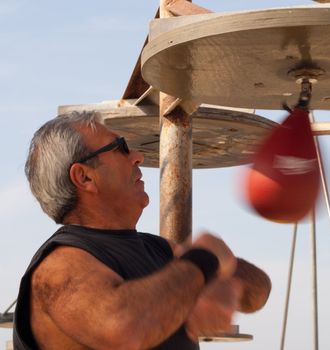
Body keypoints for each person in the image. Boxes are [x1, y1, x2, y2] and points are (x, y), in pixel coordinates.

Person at [14, 111, 271, 349]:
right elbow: (125, 329)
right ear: (84, 177)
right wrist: (205, 259)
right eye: (121, 148)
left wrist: (221, 267)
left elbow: (258, 293)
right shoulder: (56, 269)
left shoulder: (161, 250)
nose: (138, 156)